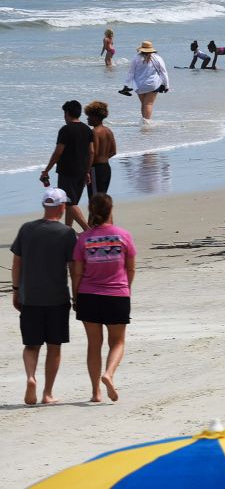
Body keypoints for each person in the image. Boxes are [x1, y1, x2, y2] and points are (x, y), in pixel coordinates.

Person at [11, 188, 79, 405]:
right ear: (62, 207)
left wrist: (15, 290)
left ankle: (31, 377)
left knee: (31, 345)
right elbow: (73, 268)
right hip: (57, 297)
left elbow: (16, 263)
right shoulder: (67, 233)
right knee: (54, 346)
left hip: (30, 297)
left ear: (44, 206)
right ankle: (47, 393)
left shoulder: (27, 229)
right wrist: (76, 295)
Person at [72, 194, 135, 403]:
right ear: (111, 210)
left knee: (94, 344)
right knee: (117, 341)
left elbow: (77, 272)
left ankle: (95, 392)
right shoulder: (123, 235)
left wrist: (76, 296)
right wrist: (126, 288)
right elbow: (130, 267)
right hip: (117, 294)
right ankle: (108, 373)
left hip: (89, 295)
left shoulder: (84, 239)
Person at [40, 100, 93, 231]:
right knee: (71, 202)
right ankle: (68, 230)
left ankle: (88, 231)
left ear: (67, 113)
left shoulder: (65, 130)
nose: (64, 116)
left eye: (64, 113)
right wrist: (87, 171)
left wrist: (46, 170)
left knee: (69, 203)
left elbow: (58, 152)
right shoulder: (87, 129)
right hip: (81, 171)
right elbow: (91, 151)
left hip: (67, 171)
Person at [119, 41, 170, 122]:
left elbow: (131, 73)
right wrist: (166, 85)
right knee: (148, 104)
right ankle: (147, 124)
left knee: (144, 104)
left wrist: (126, 85)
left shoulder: (136, 58)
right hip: (153, 84)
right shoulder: (158, 58)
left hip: (139, 85)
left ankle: (144, 123)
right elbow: (164, 72)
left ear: (142, 49)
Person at [84, 101, 116, 198]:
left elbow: (94, 152)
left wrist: (87, 171)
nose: (87, 118)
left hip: (95, 169)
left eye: (89, 116)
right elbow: (113, 151)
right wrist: (104, 158)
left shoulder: (94, 131)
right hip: (106, 168)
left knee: (94, 201)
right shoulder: (108, 131)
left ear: (95, 117)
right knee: (102, 198)